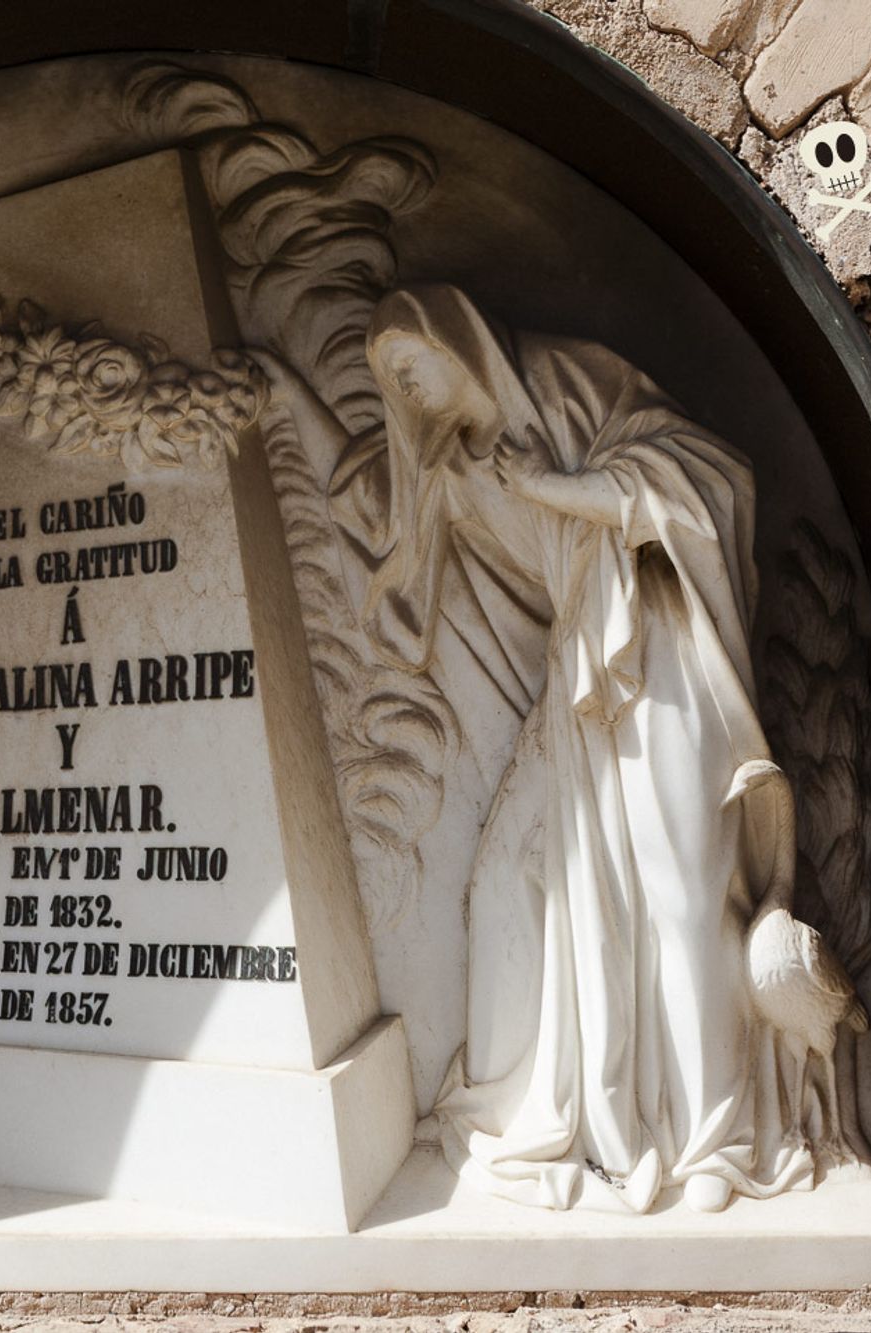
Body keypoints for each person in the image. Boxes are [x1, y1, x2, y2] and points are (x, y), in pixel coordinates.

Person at [254, 285, 819, 1213]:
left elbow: (713, 478)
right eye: (390, 381)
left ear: (458, 337)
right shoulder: (445, 464)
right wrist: (282, 388)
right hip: (577, 676)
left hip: (660, 653)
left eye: (409, 363)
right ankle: (539, 1108)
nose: (405, 388)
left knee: (684, 899)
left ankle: (716, 1142)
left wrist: (558, 487)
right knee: (503, 884)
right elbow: (371, 513)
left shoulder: (565, 386)